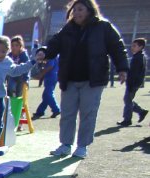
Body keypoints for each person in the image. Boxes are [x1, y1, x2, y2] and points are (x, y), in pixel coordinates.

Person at [44, 0, 128, 159]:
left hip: (93, 80)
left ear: (89, 10)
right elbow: (54, 44)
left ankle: (82, 146)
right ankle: (65, 144)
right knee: (68, 113)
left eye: (80, 9)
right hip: (69, 79)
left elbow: (117, 47)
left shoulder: (103, 27)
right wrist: (44, 53)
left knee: (88, 113)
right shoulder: (68, 29)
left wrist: (122, 68)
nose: (76, 13)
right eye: (74, 10)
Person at [119, 38, 147, 126]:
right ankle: (141, 112)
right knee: (128, 100)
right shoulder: (139, 56)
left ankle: (127, 119)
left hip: (134, 82)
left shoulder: (138, 58)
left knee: (128, 100)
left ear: (141, 47)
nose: (132, 47)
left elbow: (134, 73)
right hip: (135, 82)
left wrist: (131, 83)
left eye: (134, 46)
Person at [31, 46, 61, 119]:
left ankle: (56, 109)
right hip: (51, 76)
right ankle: (40, 111)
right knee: (46, 95)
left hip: (51, 76)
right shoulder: (53, 56)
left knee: (48, 94)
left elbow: (50, 66)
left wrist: (41, 74)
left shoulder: (51, 56)